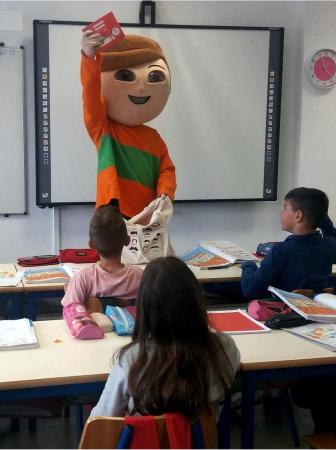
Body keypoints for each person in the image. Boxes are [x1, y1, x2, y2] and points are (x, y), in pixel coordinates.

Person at [90, 256, 240, 420]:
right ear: (196, 299)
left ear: (144, 307)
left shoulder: (132, 360)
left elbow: (101, 420)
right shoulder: (224, 348)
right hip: (198, 442)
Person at [81, 31, 177, 219]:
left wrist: (165, 195)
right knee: (114, 248)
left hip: (149, 214)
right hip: (113, 213)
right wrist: (89, 58)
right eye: (125, 76)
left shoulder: (154, 138)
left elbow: (166, 170)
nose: (141, 88)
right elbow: (91, 95)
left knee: (154, 248)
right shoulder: (104, 129)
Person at [240, 187, 336, 298]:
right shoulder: (329, 245)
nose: (280, 214)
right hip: (319, 311)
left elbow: (249, 289)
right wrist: (323, 221)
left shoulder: (281, 250)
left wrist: (248, 265)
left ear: (298, 215)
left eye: (284, 208)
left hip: (287, 313)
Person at [62, 205, 143, 339]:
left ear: (91, 245)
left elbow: (69, 313)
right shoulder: (139, 275)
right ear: (127, 241)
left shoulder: (83, 277)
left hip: (93, 344)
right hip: (131, 339)